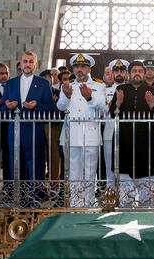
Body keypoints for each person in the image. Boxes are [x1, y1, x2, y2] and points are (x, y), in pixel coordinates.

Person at [0, 51, 56, 206]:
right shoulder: (11, 83)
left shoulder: (43, 83)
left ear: (35, 64)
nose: (28, 64)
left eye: (31, 61)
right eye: (25, 61)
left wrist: (37, 105)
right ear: (20, 63)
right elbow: (2, 110)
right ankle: (15, 199)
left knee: (36, 165)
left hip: (34, 132)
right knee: (14, 164)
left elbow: (52, 109)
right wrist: (8, 106)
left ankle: (35, 199)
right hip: (15, 132)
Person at [57, 53, 107, 207]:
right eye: (77, 67)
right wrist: (65, 96)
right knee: (73, 173)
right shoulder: (67, 86)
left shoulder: (99, 86)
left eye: (83, 66)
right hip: (71, 135)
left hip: (90, 135)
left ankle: (89, 205)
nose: (80, 69)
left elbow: (104, 109)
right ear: (73, 69)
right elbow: (60, 106)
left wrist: (90, 97)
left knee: (90, 173)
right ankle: (75, 206)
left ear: (89, 68)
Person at [109, 60, 154, 207]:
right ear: (129, 73)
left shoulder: (152, 90)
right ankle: (125, 208)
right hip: (124, 140)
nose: (137, 73)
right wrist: (118, 102)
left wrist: (151, 104)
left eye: (140, 71)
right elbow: (112, 114)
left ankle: (146, 208)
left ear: (144, 74)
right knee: (124, 180)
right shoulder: (120, 89)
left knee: (146, 177)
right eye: (134, 71)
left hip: (145, 141)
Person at [104, 59, 129, 187]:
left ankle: (125, 197)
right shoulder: (104, 90)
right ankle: (110, 194)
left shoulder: (131, 90)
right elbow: (102, 113)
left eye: (122, 71)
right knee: (109, 167)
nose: (119, 73)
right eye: (116, 71)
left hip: (127, 135)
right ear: (112, 73)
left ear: (126, 73)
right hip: (109, 133)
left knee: (125, 167)